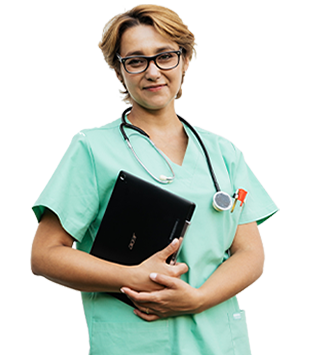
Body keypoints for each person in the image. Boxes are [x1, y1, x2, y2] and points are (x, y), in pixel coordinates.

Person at [31, 5, 278, 354]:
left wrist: (198, 299)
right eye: (135, 61)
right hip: (136, 340)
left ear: (186, 59)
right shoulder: (92, 149)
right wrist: (129, 277)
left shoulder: (223, 153)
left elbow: (250, 253)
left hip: (218, 342)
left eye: (165, 56)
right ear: (119, 71)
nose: (153, 72)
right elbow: (45, 255)